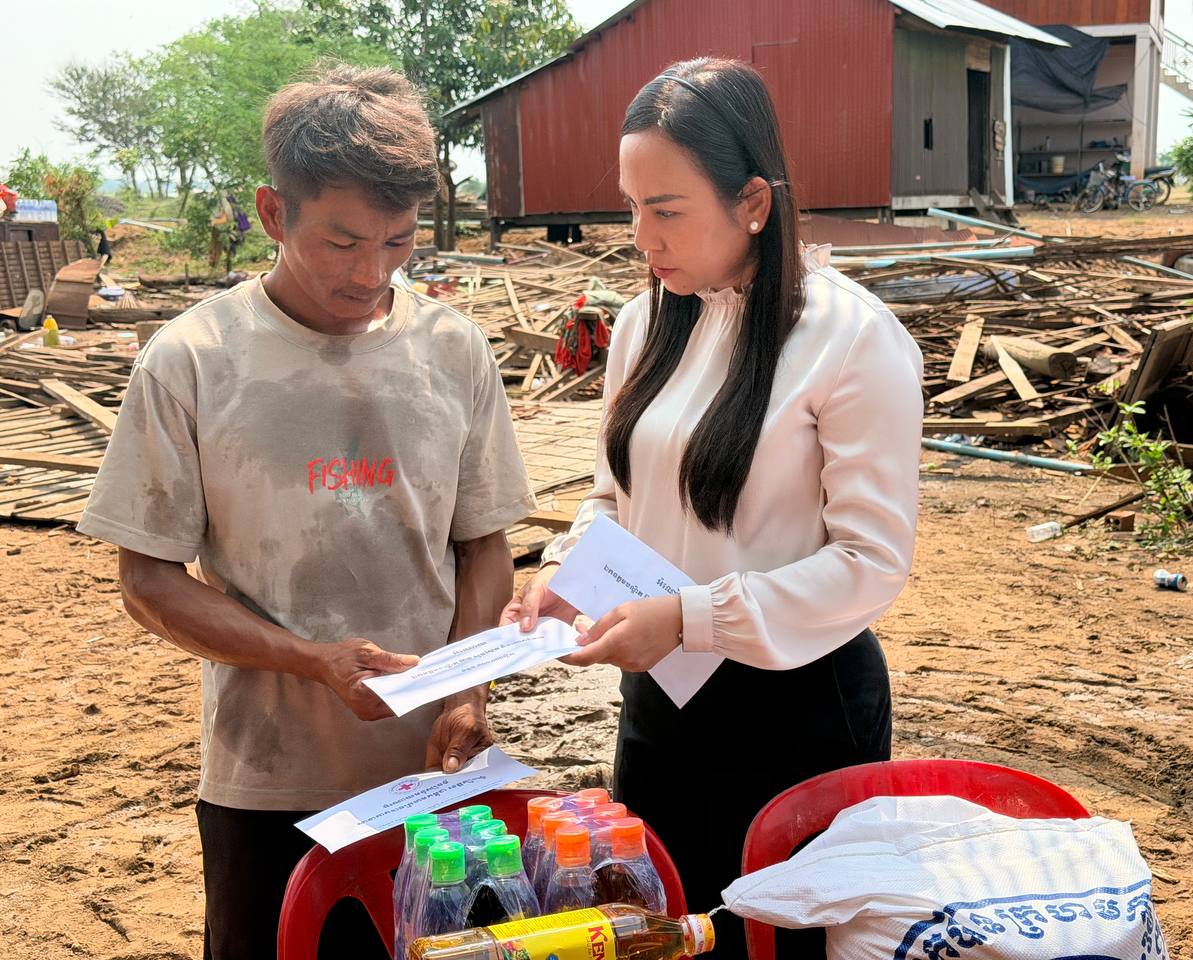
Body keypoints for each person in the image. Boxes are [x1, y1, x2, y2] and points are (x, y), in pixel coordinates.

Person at [76, 65, 536, 960]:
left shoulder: (453, 349)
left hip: (436, 780)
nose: (371, 273)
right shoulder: (193, 360)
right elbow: (147, 581)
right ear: (272, 214)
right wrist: (312, 661)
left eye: (398, 241)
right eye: (341, 242)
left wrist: (466, 689)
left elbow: (484, 547)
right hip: (266, 782)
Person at [503, 58, 923, 956]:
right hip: (661, 694)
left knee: (777, 940)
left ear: (754, 203)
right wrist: (566, 574)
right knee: (664, 926)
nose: (641, 238)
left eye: (667, 211)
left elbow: (871, 561)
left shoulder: (849, 338)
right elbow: (612, 493)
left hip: (798, 708)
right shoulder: (644, 324)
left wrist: (693, 618)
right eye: (631, 208)